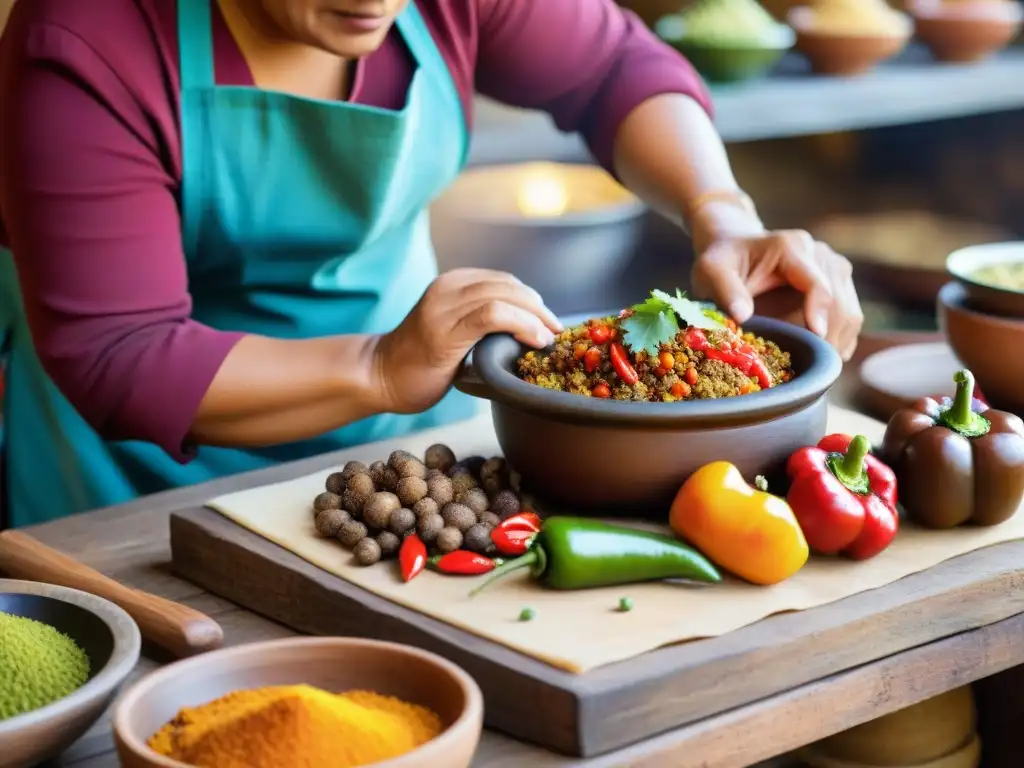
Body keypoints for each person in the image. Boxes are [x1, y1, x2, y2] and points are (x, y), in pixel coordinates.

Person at [0, 0, 862, 528]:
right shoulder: (84, 37)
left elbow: (612, 67)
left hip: (400, 460)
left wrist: (722, 214)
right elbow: (121, 352)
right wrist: (379, 363)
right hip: (136, 487)